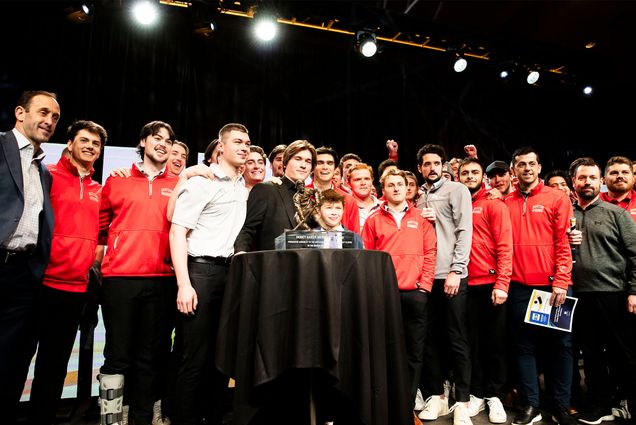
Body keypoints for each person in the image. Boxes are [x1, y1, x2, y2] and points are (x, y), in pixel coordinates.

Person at [98, 120, 179, 425]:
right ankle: (110, 419)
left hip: (162, 280)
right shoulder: (116, 180)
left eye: (168, 141)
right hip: (120, 279)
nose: (163, 144)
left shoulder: (179, 184)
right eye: (156, 138)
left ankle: (143, 419)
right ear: (143, 142)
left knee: (150, 358)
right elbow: (100, 227)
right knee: (117, 356)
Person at [27, 120, 107, 424]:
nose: (89, 146)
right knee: (18, 360)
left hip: (75, 290)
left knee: (54, 366)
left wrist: (90, 263)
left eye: (95, 144)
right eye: (84, 140)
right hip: (40, 284)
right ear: (69, 144)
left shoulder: (99, 188)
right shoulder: (47, 175)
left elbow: (101, 233)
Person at [169, 123, 250, 425]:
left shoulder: (241, 187)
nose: (245, 147)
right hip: (200, 273)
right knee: (194, 359)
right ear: (221, 147)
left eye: (248, 142)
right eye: (238, 142)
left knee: (222, 357)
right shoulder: (201, 182)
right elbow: (177, 232)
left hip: (230, 276)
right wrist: (183, 284)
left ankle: (212, 417)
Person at [504, 147, 575, 425]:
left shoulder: (556, 198)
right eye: (521, 164)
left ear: (539, 166)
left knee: (560, 346)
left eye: (531, 164)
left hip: (552, 287)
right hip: (520, 288)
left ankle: (560, 405)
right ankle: (531, 406)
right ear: (514, 170)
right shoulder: (505, 202)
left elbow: (563, 243)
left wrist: (561, 281)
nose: (527, 169)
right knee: (523, 347)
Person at [0, 90, 59, 423]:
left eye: (54, 117)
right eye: (43, 112)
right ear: (20, 112)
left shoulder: (43, 170)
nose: (49, 121)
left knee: (14, 360)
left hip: (24, 274)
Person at [362, 168, 436, 425]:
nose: (395, 189)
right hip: (384, 297)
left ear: (408, 189)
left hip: (415, 295)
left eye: (400, 185)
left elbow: (430, 253)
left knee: (414, 355)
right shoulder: (372, 220)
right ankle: (385, 408)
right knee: (384, 352)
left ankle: (405, 410)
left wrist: (425, 287)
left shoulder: (422, 218)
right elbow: (367, 260)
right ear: (383, 190)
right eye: (390, 185)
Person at [568, 157, 636, 424]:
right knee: (592, 354)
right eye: (582, 178)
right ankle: (601, 405)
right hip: (580, 295)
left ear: (601, 182)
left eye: (592, 178)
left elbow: (634, 254)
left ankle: (630, 404)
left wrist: (634, 291)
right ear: (574, 182)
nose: (587, 182)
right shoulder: (566, 212)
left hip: (614, 293)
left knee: (624, 354)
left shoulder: (616, 213)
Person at [415, 144, 473, 425]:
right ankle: (436, 396)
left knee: (457, 339)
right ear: (420, 168)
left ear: (444, 166)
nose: (432, 168)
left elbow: (464, 231)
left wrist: (456, 271)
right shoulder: (418, 197)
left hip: (451, 275)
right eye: (427, 164)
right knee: (431, 339)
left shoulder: (457, 190)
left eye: (437, 162)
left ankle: (462, 400)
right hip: (426, 278)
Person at [458, 158, 513, 424]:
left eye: (474, 172)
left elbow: (504, 245)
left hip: (491, 285)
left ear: (483, 176)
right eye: (465, 172)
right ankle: (478, 393)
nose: (470, 175)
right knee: (471, 343)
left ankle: (495, 396)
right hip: (464, 284)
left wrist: (502, 283)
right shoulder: (456, 202)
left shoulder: (493, 203)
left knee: (495, 344)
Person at [235, 139, 317, 252]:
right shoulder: (265, 189)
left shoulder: (311, 198)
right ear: (285, 162)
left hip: (306, 266)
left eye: (308, 161)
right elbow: (248, 230)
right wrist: (240, 255)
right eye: (298, 159)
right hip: (271, 265)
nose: (303, 165)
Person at [308, 146, 360, 233]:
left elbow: (354, 237)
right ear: (312, 167)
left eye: (330, 163)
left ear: (335, 168)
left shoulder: (349, 200)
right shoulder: (300, 195)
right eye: (320, 163)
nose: (325, 167)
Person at [600, 156, 636, 221]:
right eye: (614, 173)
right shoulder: (592, 201)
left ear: (633, 178)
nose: (620, 176)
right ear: (604, 180)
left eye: (625, 172)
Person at [348, 163, 381, 229]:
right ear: (349, 184)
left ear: (372, 181)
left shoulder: (384, 207)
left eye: (366, 179)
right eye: (357, 179)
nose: (363, 183)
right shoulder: (344, 209)